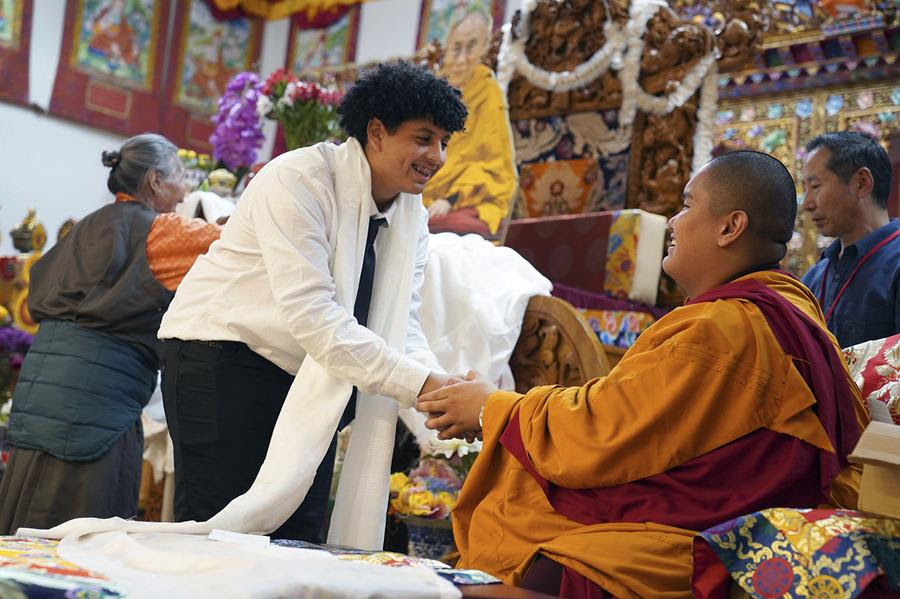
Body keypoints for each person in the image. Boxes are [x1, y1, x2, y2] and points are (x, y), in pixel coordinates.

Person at [417, 150, 869, 598]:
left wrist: (490, 407)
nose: (671, 221)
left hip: (701, 524)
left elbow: (601, 429)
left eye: (688, 205)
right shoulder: (794, 311)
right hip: (727, 508)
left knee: (532, 536)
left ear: (730, 227)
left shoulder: (726, 327)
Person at [158, 61, 468, 543]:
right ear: (377, 131)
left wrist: (442, 391)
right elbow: (314, 316)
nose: (438, 156)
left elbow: (400, 327)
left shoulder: (413, 218)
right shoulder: (299, 179)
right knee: (219, 539)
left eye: (444, 142)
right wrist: (423, 383)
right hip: (220, 358)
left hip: (307, 376)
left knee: (295, 538)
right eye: (424, 138)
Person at [0, 133, 220, 533]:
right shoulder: (158, 231)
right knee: (78, 536)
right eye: (180, 176)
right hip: (94, 412)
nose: (185, 188)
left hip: (40, 398)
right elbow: (233, 244)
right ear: (155, 180)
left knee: (23, 523)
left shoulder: (85, 227)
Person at [422, 9, 518, 239]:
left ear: (484, 48)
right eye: (457, 48)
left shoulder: (487, 90)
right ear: (447, 49)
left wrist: (451, 198)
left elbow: (495, 165)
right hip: (424, 190)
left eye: (471, 47)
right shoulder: (434, 89)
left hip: (471, 195)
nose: (463, 58)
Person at [800, 131, 899, 348]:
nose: (806, 204)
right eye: (805, 189)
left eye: (815, 187)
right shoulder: (814, 276)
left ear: (862, 183)